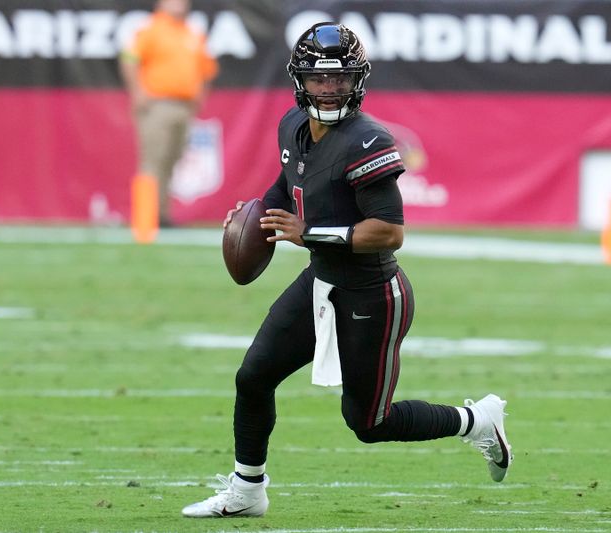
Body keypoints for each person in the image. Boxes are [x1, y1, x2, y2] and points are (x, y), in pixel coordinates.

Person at [181, 23, 513, 519]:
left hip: (372, 294)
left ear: (357, 82)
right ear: (301, 80)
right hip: (322, 281)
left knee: (368, 423)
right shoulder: (293, 125)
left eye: (340, 79)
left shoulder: (367, 142)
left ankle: (476, 421)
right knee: (253, 376)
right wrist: (253, 215)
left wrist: (308, 233)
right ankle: (247, 490)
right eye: (319, 79)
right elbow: (287, 182)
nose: (329, 88)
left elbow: (388, 231)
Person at [119, 0, 219, 228]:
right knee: (153, 160)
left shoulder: (192, 32)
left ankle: (162, 215)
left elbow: (207, 69)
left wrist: (200, 95)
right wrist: (137, 91)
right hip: (158, 104)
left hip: (184, 107)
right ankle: (145, 219)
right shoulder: (151, 29)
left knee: (172, 160)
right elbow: (129, 59)